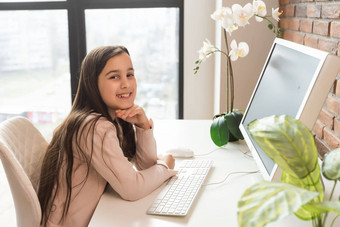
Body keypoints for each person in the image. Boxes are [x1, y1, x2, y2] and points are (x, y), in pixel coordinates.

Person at [38, 46, 177, 227]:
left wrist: (143, 127)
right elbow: (132, 189)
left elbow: (146, 167)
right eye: (114, 77)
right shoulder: (93, 127)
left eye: (129, 74)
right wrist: (165, 166)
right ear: (93, 84)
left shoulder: (111, 119)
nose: (126, 84)